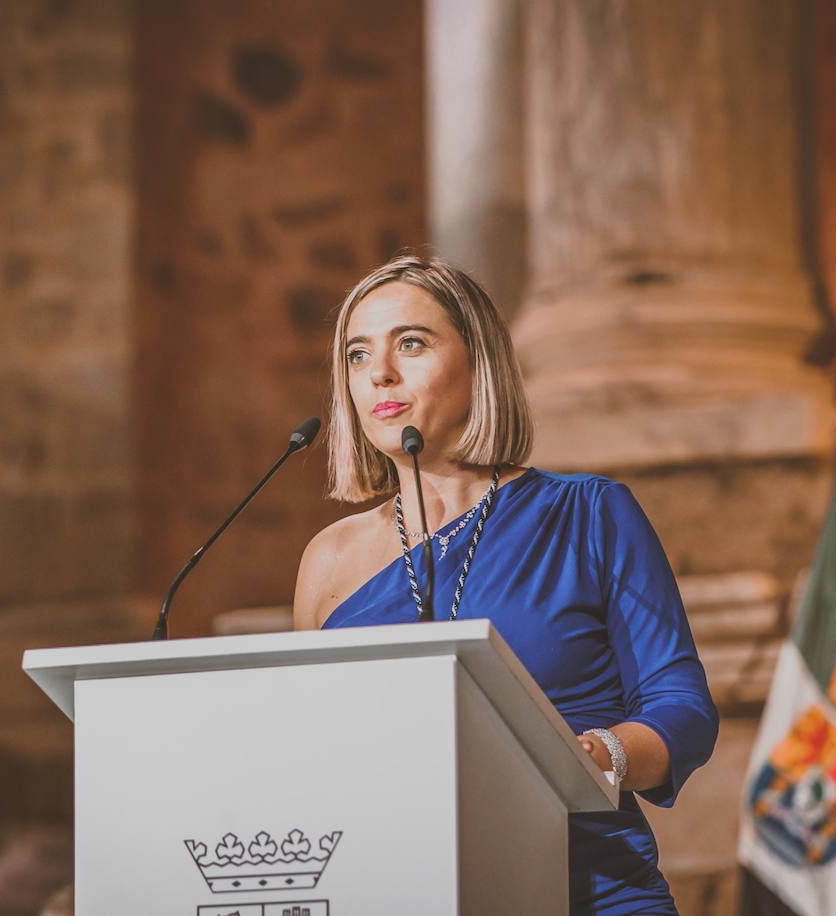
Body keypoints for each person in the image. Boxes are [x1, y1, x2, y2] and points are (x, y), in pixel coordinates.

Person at [293, 253, 720, 915]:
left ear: (479, 362)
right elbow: (307, 755)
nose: (379, 372)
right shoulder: (328, 560)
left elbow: (682, 707)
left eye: (411, 343)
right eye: (356, 354)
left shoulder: (589, 514)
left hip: (586, 889)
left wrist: (597, 754)